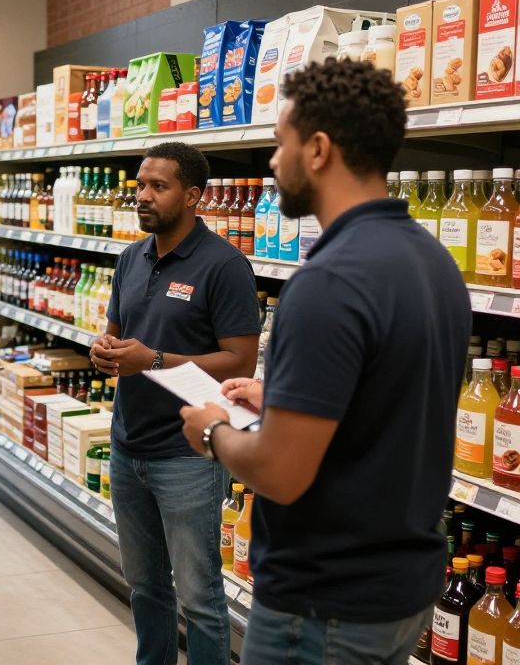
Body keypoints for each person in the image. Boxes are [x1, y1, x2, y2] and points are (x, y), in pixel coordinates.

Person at [180, 59, 472, 664]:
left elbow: (281, 473)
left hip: (325, 605)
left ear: (317, 149)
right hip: (402, 587)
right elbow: (392, 400)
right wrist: (285, 400)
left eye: (279, 143)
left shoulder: (328, 282)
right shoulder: (432, 260)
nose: (271, 161)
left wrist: (210, 431)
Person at [90, 142, 261, 665]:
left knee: (199, 596)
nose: (143, 196)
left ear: (191, 196)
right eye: (140, 185)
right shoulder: (130, 258)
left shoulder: (224, 266)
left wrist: (155, 360)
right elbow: (118, 337)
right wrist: (103, 349)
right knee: (144, 586)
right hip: (127, 445)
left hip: (188, 453)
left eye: (157, 187)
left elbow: (241, 363)